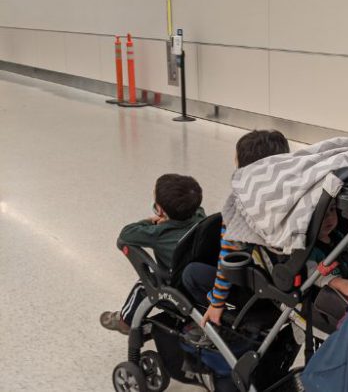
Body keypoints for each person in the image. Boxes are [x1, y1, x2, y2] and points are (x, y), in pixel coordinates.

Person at [182, 129, 292, 327]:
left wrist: (217, 302)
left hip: (260, 290)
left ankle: (229, 320)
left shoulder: (240, 207)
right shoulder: (294, 196)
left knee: (191, 273)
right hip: (288, 281)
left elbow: (228, 260)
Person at [101, 174, 205, 334]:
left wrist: (151, 220)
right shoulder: (201, 216)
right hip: (200, 281)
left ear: (160, 209)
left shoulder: (159, 233)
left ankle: (125, 321)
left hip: (176, 287)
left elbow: (126, 234)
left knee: (145, 282)